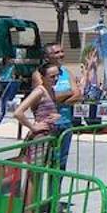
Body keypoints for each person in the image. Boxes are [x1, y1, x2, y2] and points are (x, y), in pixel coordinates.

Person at [11, 67, 61, 213]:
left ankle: (30, 211)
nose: (55, 79)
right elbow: (18, 112)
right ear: (43, 76)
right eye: (51, 76)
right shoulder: (39, 91)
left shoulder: (50, 91)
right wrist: (33, 127)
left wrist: (55, 116)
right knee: (33, 176)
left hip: (48, 138)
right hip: (39, 138)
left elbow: (46, 111)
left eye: (57, 76)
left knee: (37, 176)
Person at [41, 44, 83, 184]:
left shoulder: (67, 72)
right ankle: (36, 201)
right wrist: (69, 93)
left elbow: (78, 95)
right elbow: (45, 97)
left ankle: (54, 198)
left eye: (62, 51)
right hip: (47, 126)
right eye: (57, 52)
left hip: (65, 125)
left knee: (60, 164)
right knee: (41, 164)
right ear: (48, 57)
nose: (61, 55)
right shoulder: (41, 74)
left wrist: (59, 98)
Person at [0, 56, 19, 126]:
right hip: (2, 82)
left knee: (4, 100)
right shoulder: (2, 67)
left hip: (7, 82)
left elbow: (13, 75)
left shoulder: (12, 67)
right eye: (9, 60)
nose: (11, 61)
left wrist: (14, 77)